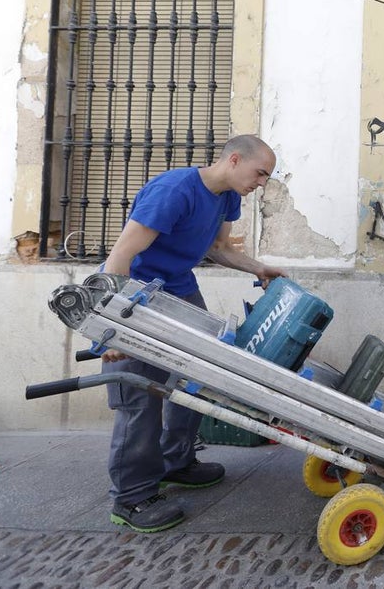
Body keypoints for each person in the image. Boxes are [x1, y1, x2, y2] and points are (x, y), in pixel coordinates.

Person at [99, 134, 285, 533]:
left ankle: (176, 461)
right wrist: (114, 329)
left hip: (180, 289)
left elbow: (219, 249)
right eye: (260, 174)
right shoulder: (173, 191)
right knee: (140, 392)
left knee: (197, 378)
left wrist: (258, 269)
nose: (261, 183)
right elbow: (119, 258)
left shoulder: (227, 196)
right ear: (234, 160)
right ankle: (130, 498)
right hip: (137, 294)